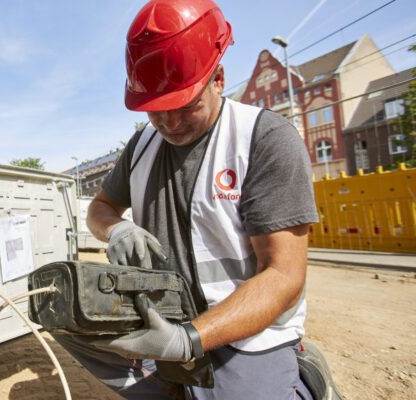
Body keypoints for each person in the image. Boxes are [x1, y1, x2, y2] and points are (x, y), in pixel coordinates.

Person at [54, 0, 320, 398]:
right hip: (164, 318)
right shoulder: (142, 146)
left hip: (243, 335)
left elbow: (284, 276)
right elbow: (99, 209)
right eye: (157, 110)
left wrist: (188, 340)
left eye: (186, 105)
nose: (171, 124)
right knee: (64, 317)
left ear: (218, 79)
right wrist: (117, 228)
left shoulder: (264, 140)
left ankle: (302, 382)